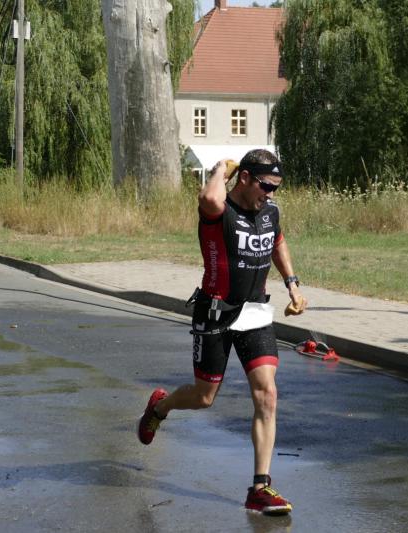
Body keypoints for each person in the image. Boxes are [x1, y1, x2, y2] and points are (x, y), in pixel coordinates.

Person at [136, 149, 306, 515]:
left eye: (276, 187)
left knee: (267, 394)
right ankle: (160, 406)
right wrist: (220, 169)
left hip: (255, 313)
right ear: (243, 178)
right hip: (215, 312)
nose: (271, 194)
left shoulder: (269, 212)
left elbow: (277, 241)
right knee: (204, 397)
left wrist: (292, 283)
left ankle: (260, 488)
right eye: (266, 186)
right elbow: (210, 196)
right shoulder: (219, 212)